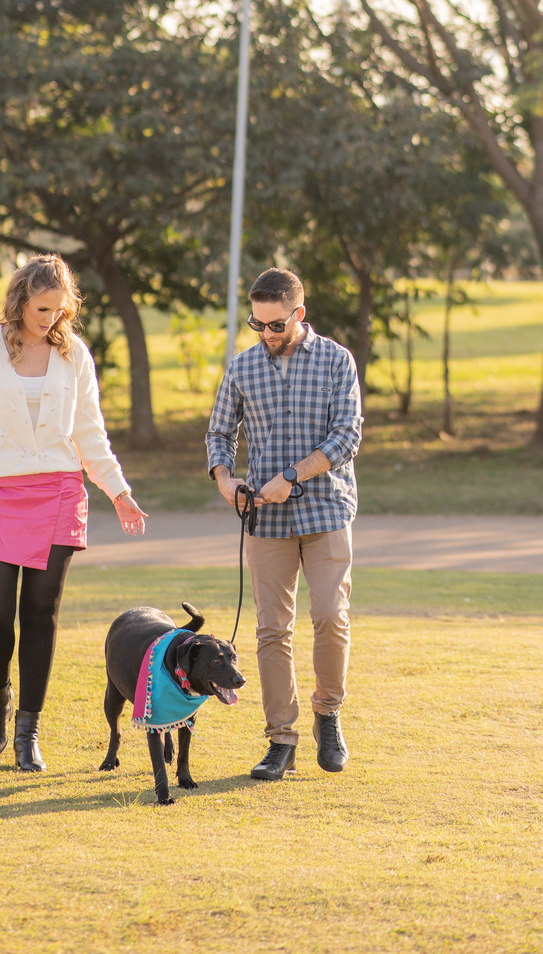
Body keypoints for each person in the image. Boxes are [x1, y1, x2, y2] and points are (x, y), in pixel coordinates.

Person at [0, 254, 146, 772]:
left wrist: (119, 491)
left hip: (58, 492)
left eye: (59, 309)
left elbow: (89, 433)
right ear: (21, 300)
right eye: (42, 308)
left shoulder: (75, 355)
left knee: (40, 615)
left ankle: (29, 729)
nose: (50, 319)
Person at [206, 267, 362, 781]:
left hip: (325, 510)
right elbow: (219, 433)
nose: (266, 334)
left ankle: (328, 712)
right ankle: (281, 740)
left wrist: (291, 475)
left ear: (298, 314)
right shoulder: (243, 368)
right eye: (257, 324)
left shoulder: (337, 360)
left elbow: (347, 437)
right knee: (272, 630)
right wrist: (225, 480)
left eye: (275, 325)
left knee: (329, 617)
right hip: (265, 520)